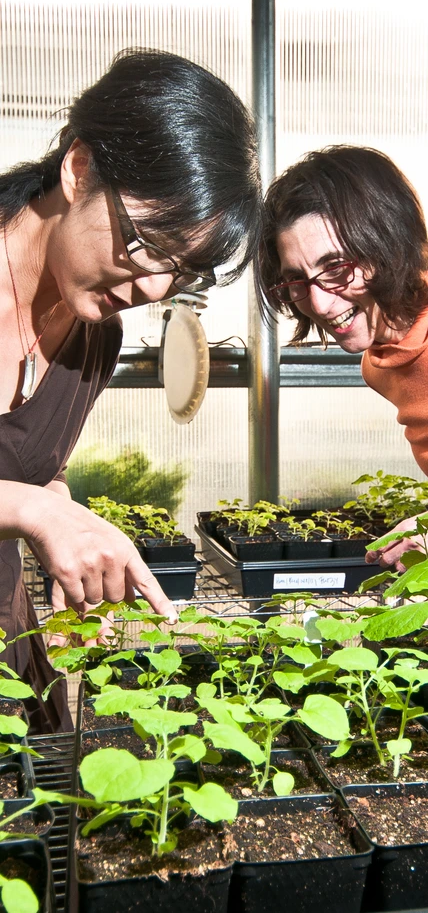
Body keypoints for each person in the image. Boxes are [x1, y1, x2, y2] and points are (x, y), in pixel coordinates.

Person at [0, 47, 263, 733]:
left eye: (181, 272)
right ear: (79, 169)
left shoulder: (94, 337)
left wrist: (70, 523)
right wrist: (36, 512)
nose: (151, 289)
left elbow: (30, 473)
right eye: (147, 243)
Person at [256, 144, 428, 578]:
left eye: (336, 267)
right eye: (296, 279)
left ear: (390, 243)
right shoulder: (379, 362)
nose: (318, 302)